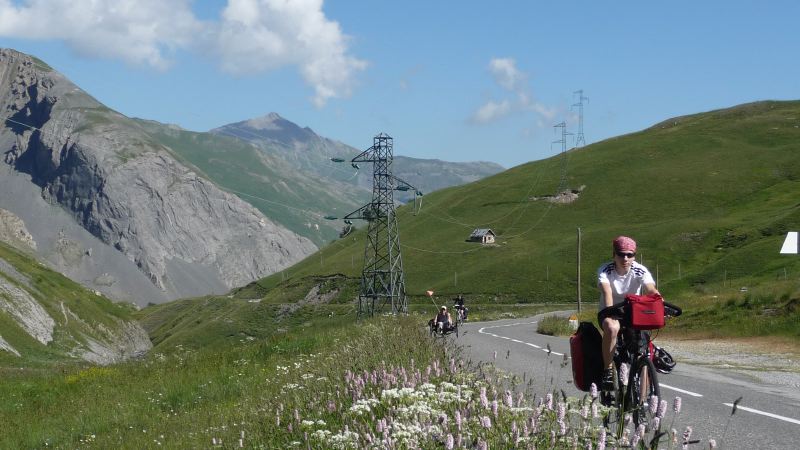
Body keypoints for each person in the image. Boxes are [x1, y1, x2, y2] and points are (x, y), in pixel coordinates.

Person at [597, 236, 659, 391]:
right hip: (610, 309)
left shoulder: (640, 270)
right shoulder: (605, 270)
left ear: (634, 256)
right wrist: (610, 311)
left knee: (642, 351)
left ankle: (642, 400)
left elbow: (651, 290)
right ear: (614, 255)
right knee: (612, 328)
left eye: (629, 255)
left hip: (633, 312)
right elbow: (607, 292)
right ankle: (608, 370)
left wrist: (660, 305)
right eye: (621, 254)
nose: (625, 258)